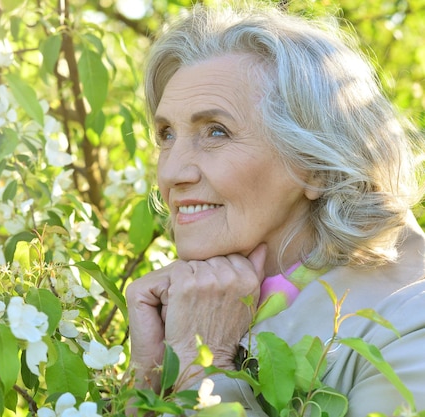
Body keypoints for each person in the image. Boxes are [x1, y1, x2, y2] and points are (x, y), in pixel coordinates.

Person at [125, 2, 425, 416]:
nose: (171, 172)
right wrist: (146, 377)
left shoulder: (411, 322)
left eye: (215, 132)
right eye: (167, 134)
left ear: (317, 166)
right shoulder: (193, 299)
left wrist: (203, 368)